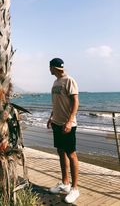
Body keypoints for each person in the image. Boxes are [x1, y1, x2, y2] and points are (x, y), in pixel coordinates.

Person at [47, 58, 80, 204]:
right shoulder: (55, 83)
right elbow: (56, 103)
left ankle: (74, 188)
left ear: (53, 68)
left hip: (68, 125)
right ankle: (65, 183)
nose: (49, 70)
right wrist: (51, 117)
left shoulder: (69, 80)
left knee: (71, 154)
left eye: (50, 67)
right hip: (57, 123)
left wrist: (69, 121)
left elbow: (75, 102)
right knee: (61, 152)